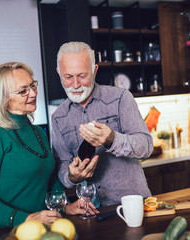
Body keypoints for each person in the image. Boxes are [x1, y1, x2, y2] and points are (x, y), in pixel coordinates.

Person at [0, 62, 97, 233]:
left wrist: (64, 207)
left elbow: (50, 180)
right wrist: (27, 219)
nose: (33, 93)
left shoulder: (37, 131)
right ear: (3, 97)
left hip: (33, 230)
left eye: (32, 86)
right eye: (23, 90)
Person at [51, 42, 153, 207]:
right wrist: (71, 176)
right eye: (68, 77)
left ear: (95, 70)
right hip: (92, 211)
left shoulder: (120, 99)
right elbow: (62, 163)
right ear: (59, 73)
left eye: (82, 76)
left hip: (133, 204)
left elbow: (146, 147)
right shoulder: (58, 117)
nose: (75, 84)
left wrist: (112, 139)